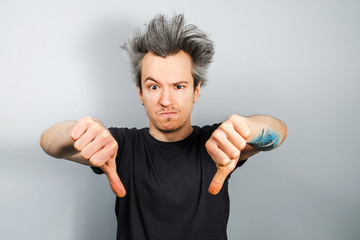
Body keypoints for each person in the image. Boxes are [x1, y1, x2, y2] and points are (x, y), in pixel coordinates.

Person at [40, 13, 287, 240]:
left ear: (196, 90)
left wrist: (250, 128)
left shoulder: (219, 142)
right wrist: (78, 133)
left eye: (178, 86)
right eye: (154, 86)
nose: (166, 100)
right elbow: (48, 142)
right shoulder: (118, 145)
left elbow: (278, 130)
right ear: (140, 92)